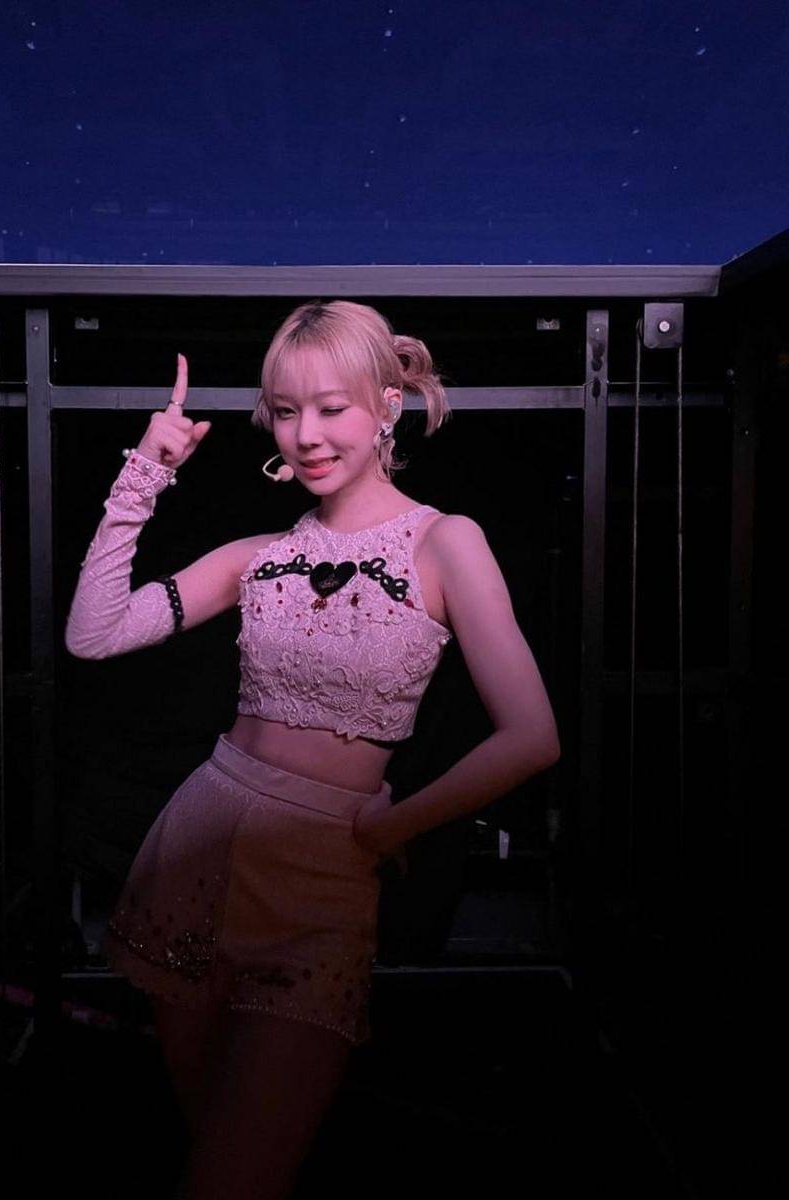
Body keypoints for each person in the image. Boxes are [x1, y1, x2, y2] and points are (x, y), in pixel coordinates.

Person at [65, 299, 560, 1199]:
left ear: (387, 406)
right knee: (213, 1157)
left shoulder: (447, 544)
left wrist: (387, 830)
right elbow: (93, 634)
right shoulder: (256, 556)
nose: (306, 435)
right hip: (197, 849)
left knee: (237, 1175)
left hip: (324, 877)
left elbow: (534, 737)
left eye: (331, 408)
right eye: (287, 411)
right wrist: (145, 473)